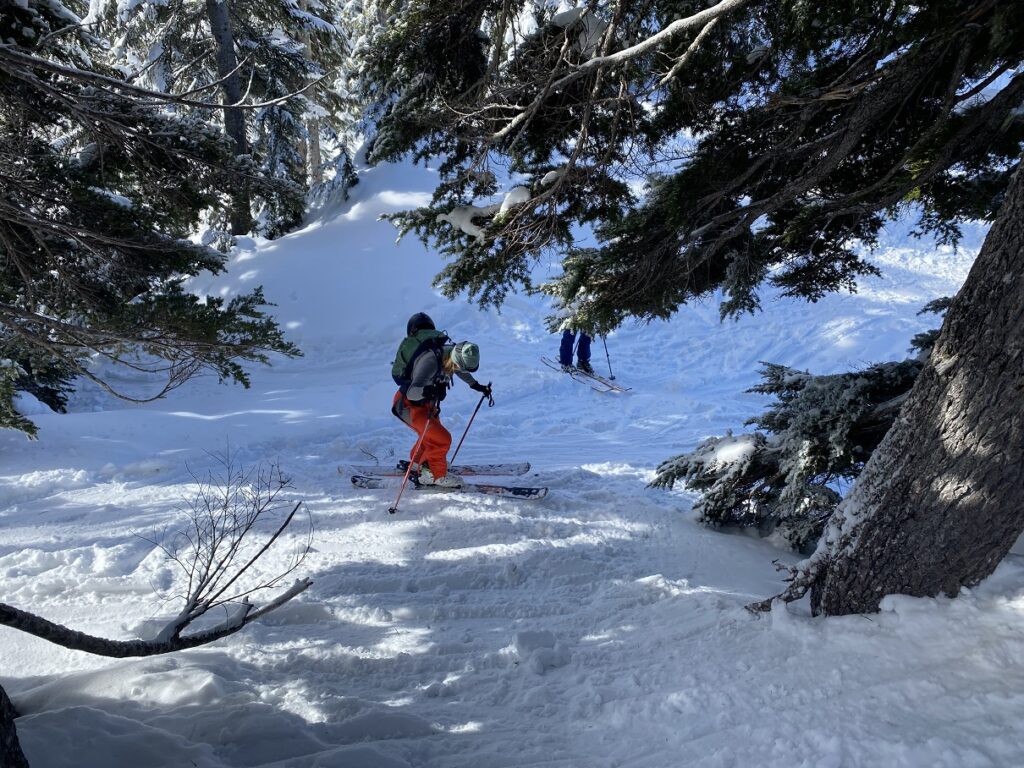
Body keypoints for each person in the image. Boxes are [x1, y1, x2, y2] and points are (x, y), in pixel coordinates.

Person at [391, 314, 492, 488]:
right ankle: (435, 475)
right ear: (455, 358)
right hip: (408, 406)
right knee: (442, 439)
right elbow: (412, 393)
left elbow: (460, 370)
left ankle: (418, 465)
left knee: (430, 437)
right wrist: (429, 390)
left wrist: (476, 385)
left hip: (426, 406)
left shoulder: (450, 354)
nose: (458, 371)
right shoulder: (430, 361)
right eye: (459, 366)